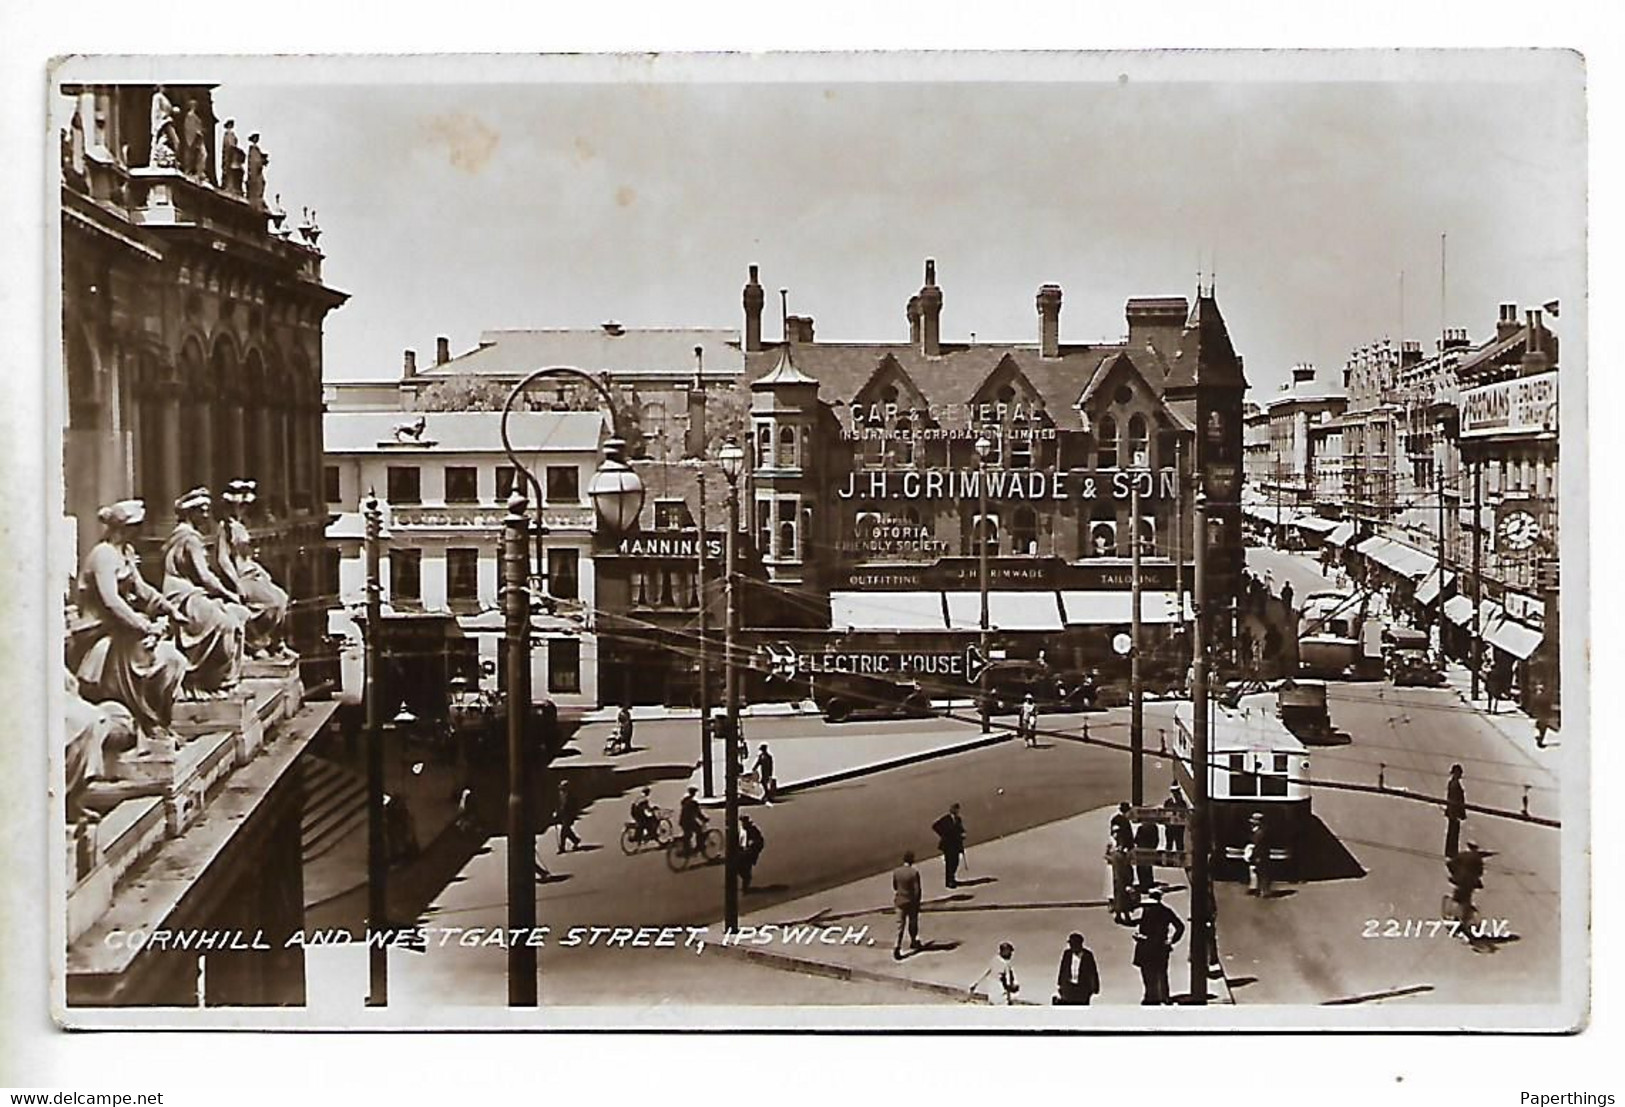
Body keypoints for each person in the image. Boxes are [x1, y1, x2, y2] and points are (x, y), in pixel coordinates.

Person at [68, 500, 189, 743]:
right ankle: (148, 720)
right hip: (99, 633)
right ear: (124, 527)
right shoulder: (103, 555)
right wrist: (145, 626)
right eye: (137, 526)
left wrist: (169, 608)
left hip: (121, 630)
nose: (140, 531)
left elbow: (141, 588)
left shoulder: (126, 552)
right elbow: (112, 602)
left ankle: (157, 720)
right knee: (149, 658)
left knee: (174, 661)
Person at [161, 488, 249, 697]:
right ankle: (206, 681)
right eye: (201, 510)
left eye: (207, 510)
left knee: (239, 616)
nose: (206, 515)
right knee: (227, 624)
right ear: (190, 513)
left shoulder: (188, 535)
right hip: (182, 596)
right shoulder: (189, 538)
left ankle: (225, 681)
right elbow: (205, 576)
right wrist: (229, 594)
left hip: (191, 592)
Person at [214, 480, 293, 659]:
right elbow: (223, 559)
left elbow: (247, 555)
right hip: (241, 577)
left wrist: (262, 572)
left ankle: (275, 643)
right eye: (239, 506)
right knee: (270, 602)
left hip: (252, 572)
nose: (242, 509)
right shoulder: (225, 527)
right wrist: (236, 583)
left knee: (282, 598)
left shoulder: (240, 525)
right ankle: (256, 642)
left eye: (244, 506)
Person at [1133, 888, 1186, 1005]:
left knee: (1148, 973)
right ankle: (1161, 996)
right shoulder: (1165, 911)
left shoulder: (1148, 909)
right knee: (1160, 972)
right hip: (1159, 946)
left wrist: (1139, 936)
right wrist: (1172, 941)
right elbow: (1180, 926)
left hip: (1147, 946)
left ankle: (1151, 996)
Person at [891, 850, 924, 959]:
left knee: (900, 926)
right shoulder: (913, 873)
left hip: (899, 900)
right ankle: (913, 941)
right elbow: (917, 890)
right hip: (911, 902)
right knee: (912, 923)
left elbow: (895, 887)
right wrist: (917, 901)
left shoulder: (897, 871)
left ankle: (897, 946)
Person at [1055, 932, 1100, 1006]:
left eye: (1073, 944)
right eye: (1070, 944)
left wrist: (1095, 988)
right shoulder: (1067, 954)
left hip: (1082, 989)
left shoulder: (1088, 955)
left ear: (1079, 944)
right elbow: (1063, 969)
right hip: (1069, 987)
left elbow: (1093, 972)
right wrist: (1060, 984)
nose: (1071, 946)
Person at [932, 803, 967, 889]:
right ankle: (949, 881)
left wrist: (962, 834)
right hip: (948, 845)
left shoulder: (958, 819)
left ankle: (952, 877)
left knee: (955, 862)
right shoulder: (946, 819)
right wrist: (943, 834)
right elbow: (935, 826)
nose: (957, 811)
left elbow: (960, 829)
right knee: (949, 863)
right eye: (956, 809)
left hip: (956, 844)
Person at [1106, 838, 1135, 925]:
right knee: (1125, 899)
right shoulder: (1122, 857)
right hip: (1123, 880)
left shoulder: (1115, 856)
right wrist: (1130, 881)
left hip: (1117, 880)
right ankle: (1126, 917)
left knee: (1118, 898)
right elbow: (1127, 870)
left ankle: (1118, 915)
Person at [1445, 764, 1467, 859]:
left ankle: (1450, 851)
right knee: (1454, 831)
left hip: (1452, 811)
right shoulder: (1455, 785)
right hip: (1455, 811)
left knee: (1452, 831)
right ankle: (1452, 851)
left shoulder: (1452, 783)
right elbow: (1457, 799)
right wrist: (1461, 812)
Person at [1245, 812, 1270, 897]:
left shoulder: (1260, 833)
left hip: (1260, 856)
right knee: (1258, 873)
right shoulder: (1260, 832)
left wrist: (1255, 856)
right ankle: (1259, 890)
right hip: (1260, 856)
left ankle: (1264, 891)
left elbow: (1259, 846)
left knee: (1262, 873)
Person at [678, 786, 707, 856]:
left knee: (688, 835)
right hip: (689, 821)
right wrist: (704, 819)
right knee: (699, 831)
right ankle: (698, 847)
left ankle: (687, 849)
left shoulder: (685, 800)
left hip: (682, 820)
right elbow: (698, 814)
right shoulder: (693, 803)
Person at [554, 779, 582, 853]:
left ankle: (562, 847)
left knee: (564, 830)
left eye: (564, 787)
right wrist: (556, 812)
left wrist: (574, 814)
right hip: (563, 815)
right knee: (567, 830)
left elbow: (575, 806)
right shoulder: (561, 794)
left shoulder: (571, 796)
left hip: (569, 815)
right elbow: (559, 804)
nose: (562, 789)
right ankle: (576, 840)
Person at [1133, 816, 1160, 891]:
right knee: (1148, 867)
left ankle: (1143, 883)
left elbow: (1136, 839)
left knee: (1141, 868)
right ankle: (1149, 882)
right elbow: (1156, 839)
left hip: (1141, 850)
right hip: (1150, 849)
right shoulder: (1154, 828)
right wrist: (1154, 848)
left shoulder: (1141, 829)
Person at [739, 814, 765, 891]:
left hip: (749, 853)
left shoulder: (752, 830)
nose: (743, 824)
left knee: (746, 869)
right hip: (743, 852)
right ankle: (745, 884)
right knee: (742, 869)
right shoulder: (743, 830)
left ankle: (745, 887)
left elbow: (759, 842)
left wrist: (751, 851)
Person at [1162, 781, 1188, 854]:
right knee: (1169, 844)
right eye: (1174, 792)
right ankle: (1168, 860)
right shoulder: (1168, 802)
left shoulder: (1182, 803)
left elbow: (1184, 814)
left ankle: (1180, 860)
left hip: (1179, 827)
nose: (1175, 794)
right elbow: (1164, 813)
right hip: (1170, 826)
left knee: (1179, 844)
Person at [220, 119, 244, 194]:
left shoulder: (230, 134)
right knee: (229, 169)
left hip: (231, 154)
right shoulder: (228, 134)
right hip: (230, 155)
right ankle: (229, 186)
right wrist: (236, 149)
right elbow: (230, 145)